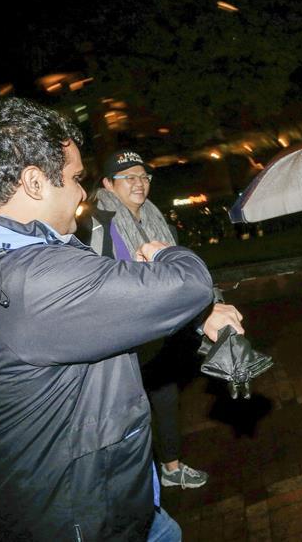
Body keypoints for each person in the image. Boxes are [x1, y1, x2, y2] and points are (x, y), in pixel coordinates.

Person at [0, 98, 243, 541]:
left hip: (104, 497)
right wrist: (166, 255)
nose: (81, 194)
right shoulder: (24, 277)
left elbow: (93, 323)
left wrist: (187, 317)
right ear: (34, 182)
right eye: (74, 179)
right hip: (76, 516)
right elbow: (187, 283)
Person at [84, 149, 208, 489]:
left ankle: (171, 468)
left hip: (156, 329)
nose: (139, 183)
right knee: (126, 413)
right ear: (108, 183)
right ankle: (130, 486)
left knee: (165, 396)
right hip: (120, 335)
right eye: (128, 177)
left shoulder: (155, 218)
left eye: (143, 176)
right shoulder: (95, 222)